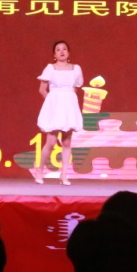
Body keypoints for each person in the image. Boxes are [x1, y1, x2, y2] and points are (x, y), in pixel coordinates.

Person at [35, 40, 84, 185]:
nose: (61, 52)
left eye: (64, 49)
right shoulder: (50, 68)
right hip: (55, 107)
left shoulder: (76, 69)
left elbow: (75, 88)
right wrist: (52, 104)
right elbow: (42, 90)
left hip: (68, 107)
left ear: (68, 52)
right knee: (50, 142)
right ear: (54, 54)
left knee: (67, 142)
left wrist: (68, 103)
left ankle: (64, 175)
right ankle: (39, 171)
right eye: (58, 49)